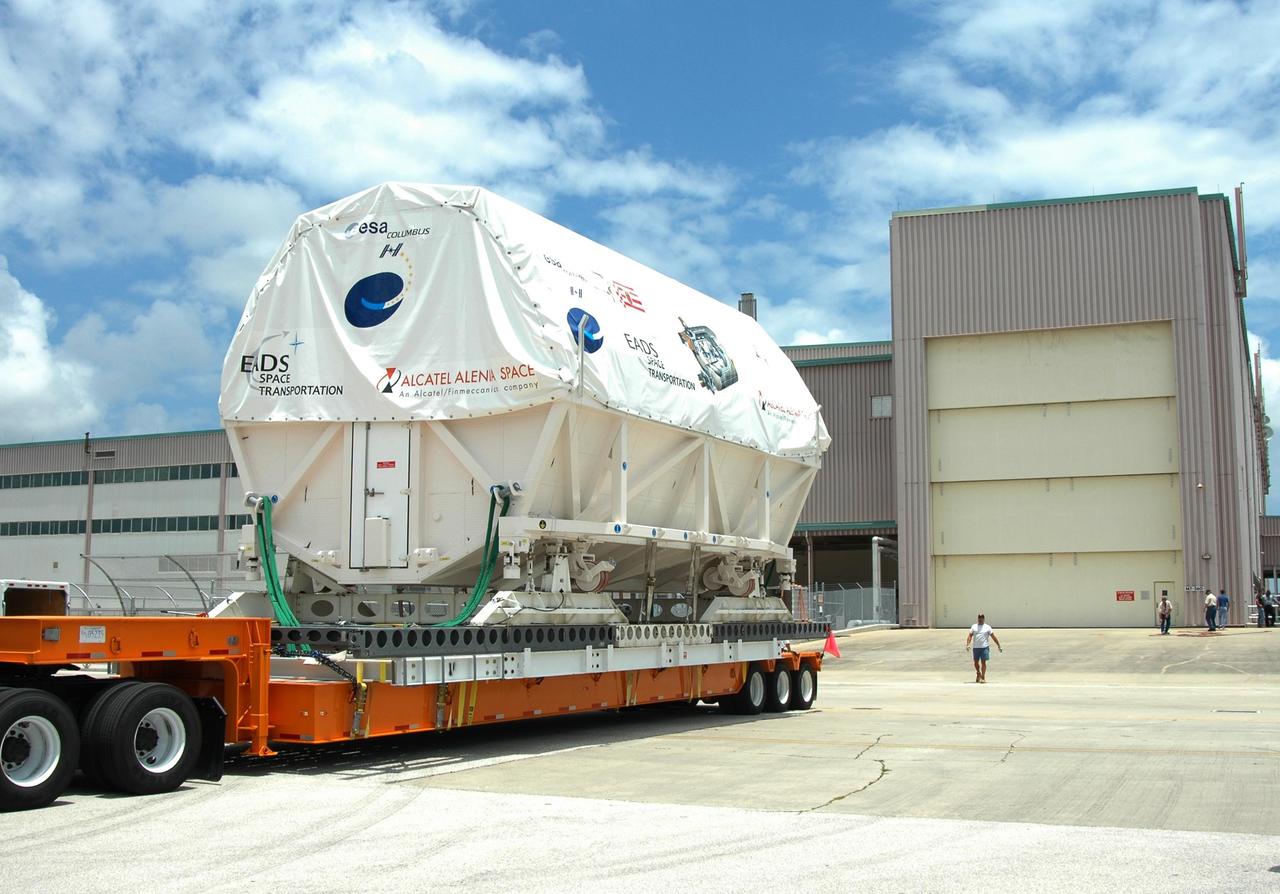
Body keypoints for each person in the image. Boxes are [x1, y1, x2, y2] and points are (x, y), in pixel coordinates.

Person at [965, 613, 1002, 683]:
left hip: (984, 647)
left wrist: (998, 645)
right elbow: (970, 636)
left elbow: (993, 636)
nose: (980, 619)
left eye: (981, 618)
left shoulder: (987, 627)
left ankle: (983, 677)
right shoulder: (974, 626)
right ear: (977, 619)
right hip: (976, 647)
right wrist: (967, 644)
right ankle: (978, 673)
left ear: (984, 619)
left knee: (983, 662)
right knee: (975, 662)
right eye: (979, 618)